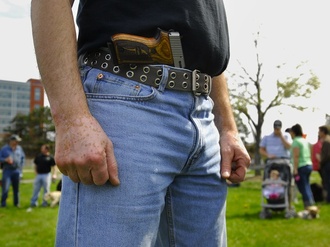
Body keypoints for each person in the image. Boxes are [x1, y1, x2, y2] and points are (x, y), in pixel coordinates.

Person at [31, 0, 251, 246]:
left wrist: (228, 128)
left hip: (203, 115)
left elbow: (204, 36)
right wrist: (71, 120)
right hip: (124, 101)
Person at [290, 124, 315, 209]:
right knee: (307, 185)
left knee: (303, 187)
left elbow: (296, 156)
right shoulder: (304, 141)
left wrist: (295, 169)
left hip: (301, 166)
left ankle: (308, 206)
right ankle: (311, 203)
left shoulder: (296, 141)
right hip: (308, 164)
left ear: (293, 132)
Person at [0, 135, 25, 207]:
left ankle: (16, 204)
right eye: (16, 141)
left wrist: (21, 169)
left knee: (16, 189)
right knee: (5, 188)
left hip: (16, 171)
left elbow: (23, 158)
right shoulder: (4, 149)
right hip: (7, 171)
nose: (18, 142)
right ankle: (3, 204)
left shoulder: (19, 148)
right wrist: (5, 160)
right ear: (12, 141)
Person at [320, 127, 330, 203]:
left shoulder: (326, 141)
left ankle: (328, 199)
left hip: (327, 164)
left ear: (323, 132)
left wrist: (321, 161)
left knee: (327, 182)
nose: (318, 133)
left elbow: (326, 155)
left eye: (319, 131)